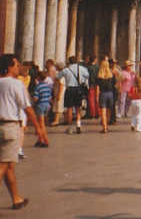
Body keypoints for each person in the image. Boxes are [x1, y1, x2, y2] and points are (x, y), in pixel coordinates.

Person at [0, 54, 48, 210]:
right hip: (9, 127)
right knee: (4, 165)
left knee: (9, 167)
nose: (18, 67)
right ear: (9, 67)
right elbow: (28, 108)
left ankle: (16, 199)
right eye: (16, 65)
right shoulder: (16, 84)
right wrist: (39, 128)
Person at [58, 56, 89, 135]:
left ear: (69, 62)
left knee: (69, 109)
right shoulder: (81, 68)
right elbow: (87, 75)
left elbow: (57, 77)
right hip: (78, 90)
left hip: (69, 90)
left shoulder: (66, 70)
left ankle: (70, 127)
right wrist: (83, 81)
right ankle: (78, 125)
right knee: (78, 108)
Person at [31, 71, 52, 147]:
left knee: (41, 124)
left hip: (40, 105)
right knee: (42, 124)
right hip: (47, 105)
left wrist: (32, 103)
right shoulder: (47, 86)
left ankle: (45, 140)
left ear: (38, 78)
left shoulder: (38, 86)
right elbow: (50, 97)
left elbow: (36, 98)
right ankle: (39, 139)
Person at [96, 59, 115, 133]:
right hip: (110, 94)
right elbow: (114, 84)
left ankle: (104, 127)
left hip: (103, 93)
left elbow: (97, 87)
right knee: (109, 111)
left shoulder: (99, 76)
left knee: (103, 112)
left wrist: (97, 96)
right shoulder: (111, 75)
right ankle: (107, 124)